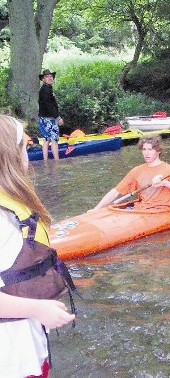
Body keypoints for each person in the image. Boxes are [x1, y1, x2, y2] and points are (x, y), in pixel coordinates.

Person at [0, 115, 76, 377]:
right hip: (11, 359)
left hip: (24, 345)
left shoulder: (9, 208)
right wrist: (36, 308)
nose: (28, 154)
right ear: (10, 155)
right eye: (24, 147)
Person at [92, 136, 170, 211]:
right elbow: (116, 191)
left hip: (161, 210)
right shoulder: (137, 171)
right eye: (144, 149)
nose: (146, 153)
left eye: (150, 149)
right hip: (141, 210)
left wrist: (166, 183)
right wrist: (96, 209)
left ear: (159, 151)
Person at [38, 69, 64, 161]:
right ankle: (57, 162)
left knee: (46, 140)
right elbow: (49, 105)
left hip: (43, 118)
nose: (50, 78)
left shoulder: (46, 89)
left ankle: (45, 161)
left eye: (51, 76)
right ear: (43, 79)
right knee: (54, 140)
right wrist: (57, 118)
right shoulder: (45, 90)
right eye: (47, 77)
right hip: (49, 119)